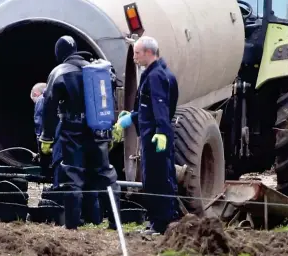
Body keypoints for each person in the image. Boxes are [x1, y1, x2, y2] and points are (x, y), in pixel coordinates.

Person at [39, 35, 120, 230]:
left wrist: (47, 137)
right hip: (98, 129)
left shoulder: (60, 72)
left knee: (72, 173)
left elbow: (49, 108)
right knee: (105, 173)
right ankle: (115, 222)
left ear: (60, 54)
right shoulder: (98, 69)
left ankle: (72, 225)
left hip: (72, 130)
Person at [115, 36, 179, 235]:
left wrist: (161, 132)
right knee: (160, 178)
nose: (134, 57)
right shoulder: (157, 73)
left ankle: (160, 224)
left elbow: (161, 108)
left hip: (155, 137)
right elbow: (149, 107)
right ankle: (163, 220)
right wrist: (133, 116)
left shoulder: (155, 76)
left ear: (149, 53)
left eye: (137, 53)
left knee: (156, 180)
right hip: (153, 133)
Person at [30, 82, 62, 186]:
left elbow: (39, 121)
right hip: (61, 137)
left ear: (36, 93)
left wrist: (39, 138)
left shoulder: (40, 100)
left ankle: (51, 181)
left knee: (48, 163)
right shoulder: (57, 98)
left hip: (48, 138)